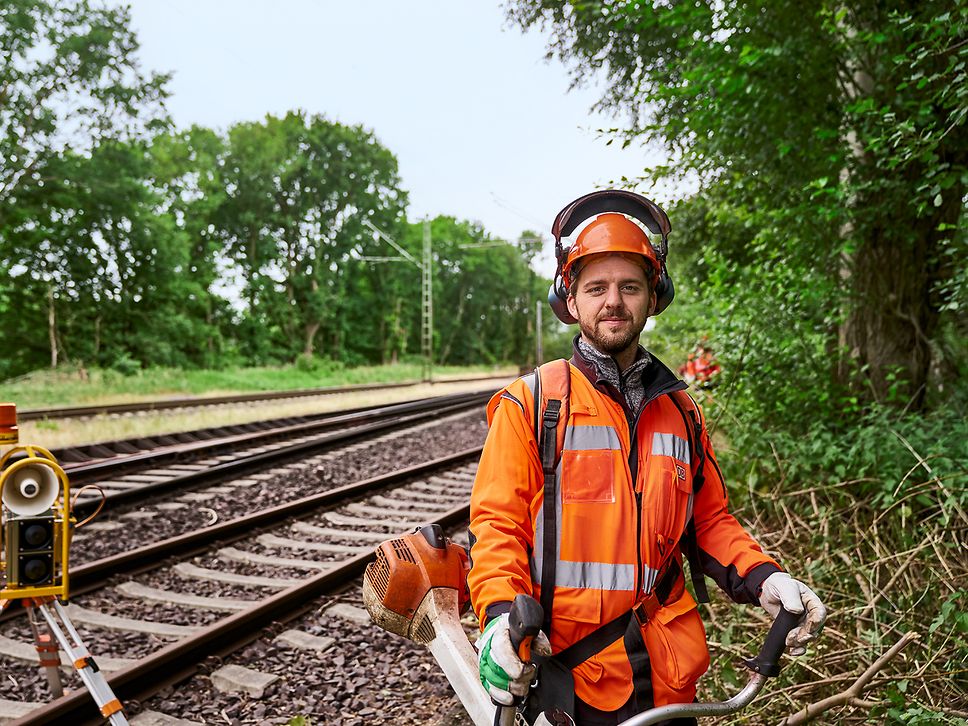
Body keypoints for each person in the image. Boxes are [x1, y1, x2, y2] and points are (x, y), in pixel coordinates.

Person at [468, 191, 825, 726]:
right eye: (597, 288)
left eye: (629, 286)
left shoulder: (679, 411)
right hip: (570, 679)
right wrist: (499, 618)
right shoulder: (533, 404)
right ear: (571, 300)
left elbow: (708, 521)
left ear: (653, 296)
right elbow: (497, 528)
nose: (613, 300)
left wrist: (764, 577)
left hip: (669, 678)